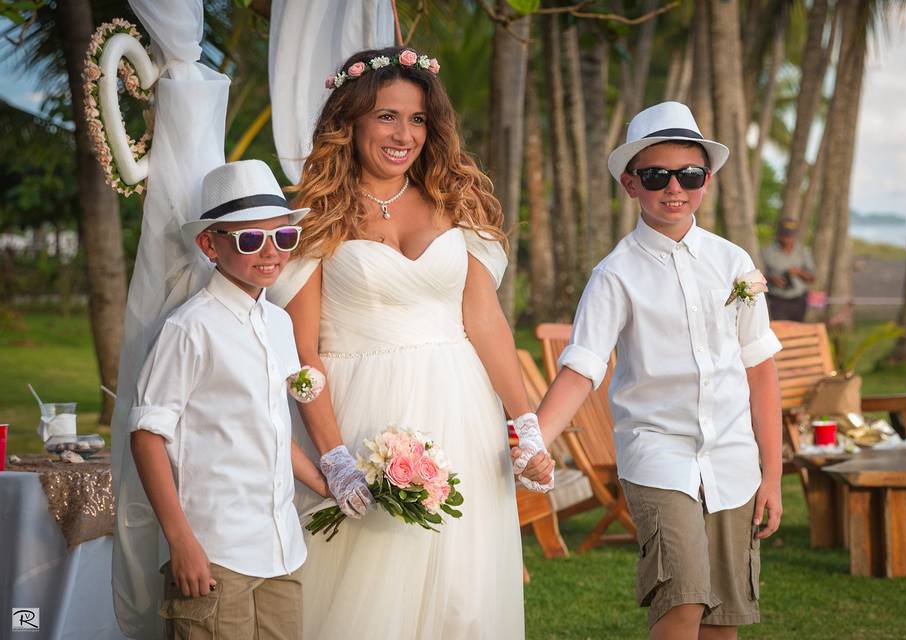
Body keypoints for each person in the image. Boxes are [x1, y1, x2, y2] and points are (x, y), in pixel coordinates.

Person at [267, 47, 553, 639]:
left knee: (462, 587)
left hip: (462, 413)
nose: (404, 134)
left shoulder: (456, 202)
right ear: (350, 123)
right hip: (359, 408)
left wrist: (526, 425)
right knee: (364, 584)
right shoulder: (315, 214)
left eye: (418, 119)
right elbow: (303, 352)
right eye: (387, 116)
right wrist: (335, 458)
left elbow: (487, 322)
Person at [520, 102, 784, 639]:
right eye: (656, 175)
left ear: (706, 180)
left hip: (734, 460)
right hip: (659, 454)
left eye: (689, 175)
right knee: (682, 600)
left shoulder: (734, 264)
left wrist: (773, 476)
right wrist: (533, 441)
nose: (674, 187)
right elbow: (581, 370)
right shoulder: (615, 274)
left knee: (723, 619)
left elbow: (760, 373)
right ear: (629, 183)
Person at [129, 160, 329, 640]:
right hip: (215, 551)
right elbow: (147, 437)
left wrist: (326, 484)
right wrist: (182, 541)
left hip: (281, 547)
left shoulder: (279, 323)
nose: (270, 253)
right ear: (209, 245)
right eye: (249, 240)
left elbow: (272, 426)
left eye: (282, 239)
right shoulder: (189, 328)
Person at [761, 219, 815, 321]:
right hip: (776, 300)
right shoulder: (767, 252)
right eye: (784, 235)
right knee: (780, 331)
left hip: (798, 299)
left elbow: (812, 278)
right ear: (778, 234)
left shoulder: (803, 252)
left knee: (797, 330)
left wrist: (799, 272)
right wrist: (772, 279)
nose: (787, 239)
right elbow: (758, 276)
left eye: (790, 236)